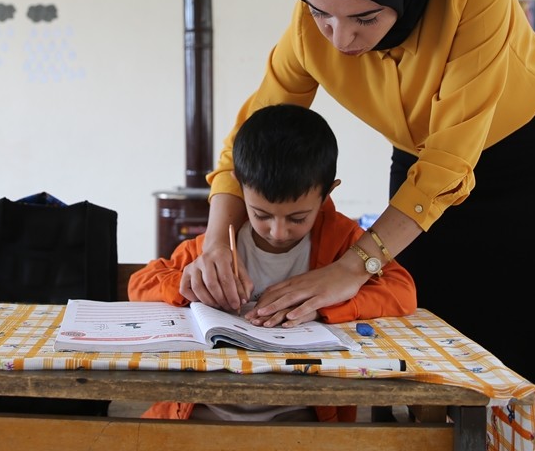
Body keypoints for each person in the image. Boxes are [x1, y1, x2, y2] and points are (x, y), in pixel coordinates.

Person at [180, 0, 535, 451]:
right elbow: (250, 136)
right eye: (323, 15)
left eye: (366, 18)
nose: (342, 39)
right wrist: (217, 239)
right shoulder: (310, 29)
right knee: (432, 361)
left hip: (526, 171)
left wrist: (354, 263)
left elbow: (455, 159)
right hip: (421, 174)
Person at [129, 103, 416, 423]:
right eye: (262, 214)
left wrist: (324, 305)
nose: (278, 231)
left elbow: (402, 290)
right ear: (238, 188)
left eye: (298, 217)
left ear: (326, 193)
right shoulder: (224, 239)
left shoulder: (340, 240)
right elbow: (139, 283)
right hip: (201, 412)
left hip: (304, 417)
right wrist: (189, 285)